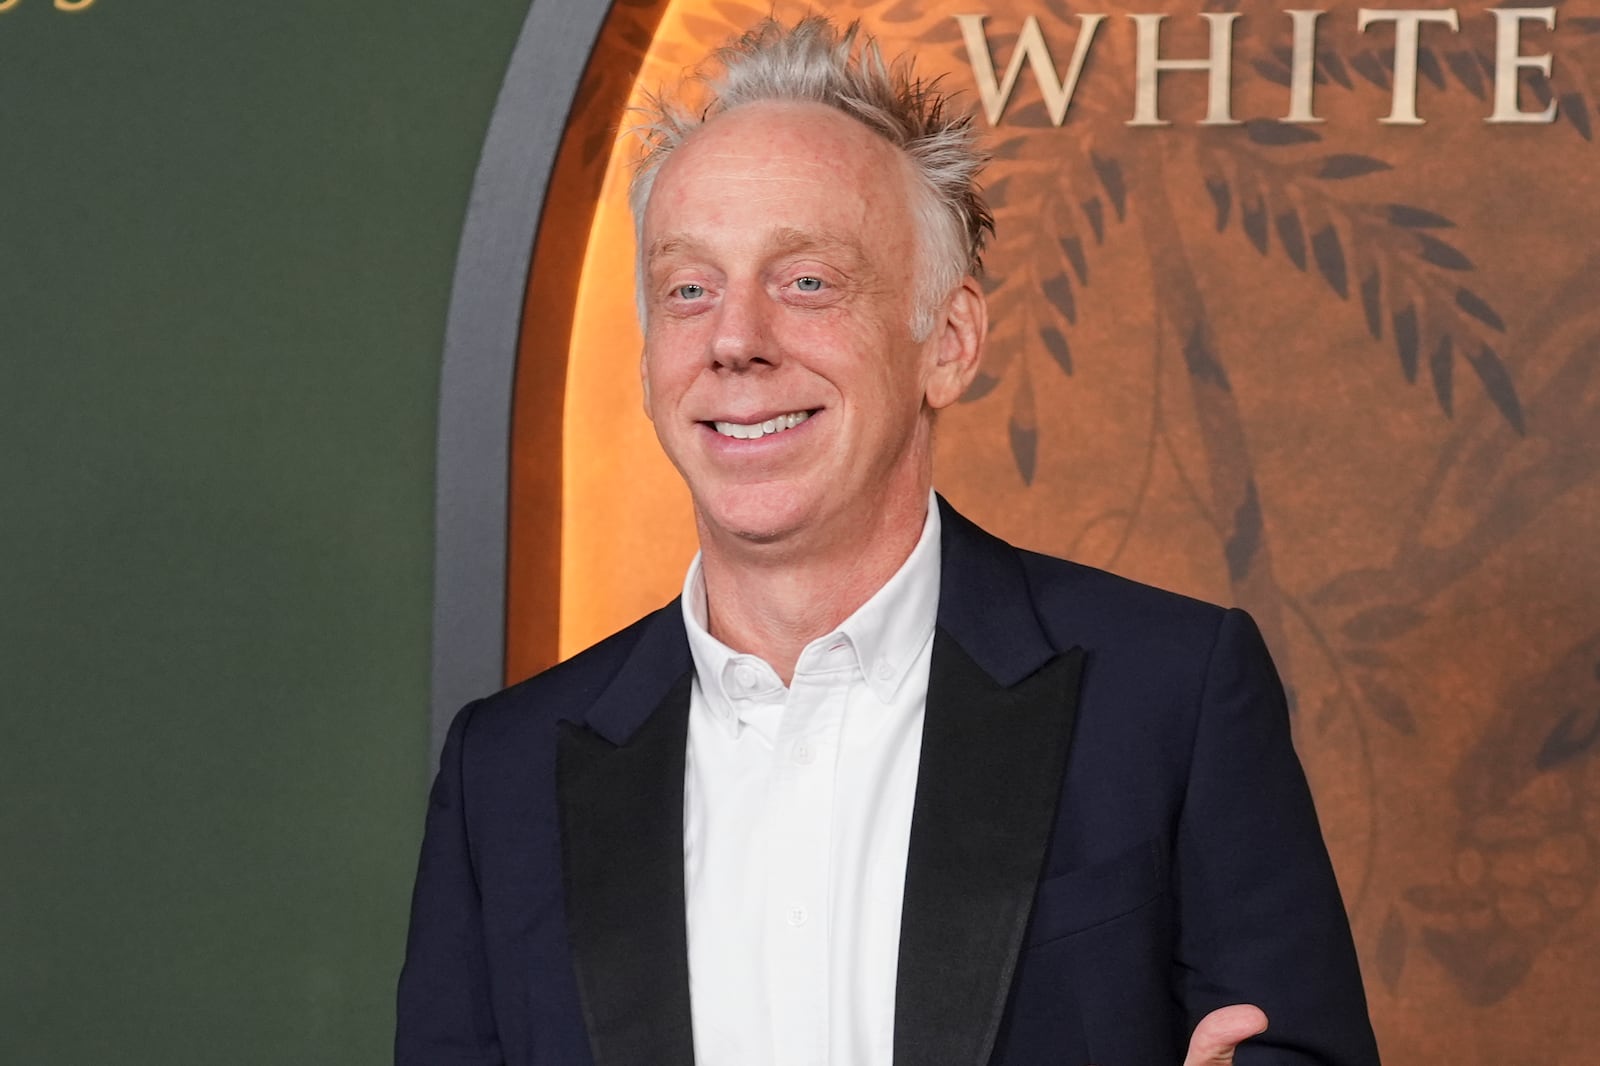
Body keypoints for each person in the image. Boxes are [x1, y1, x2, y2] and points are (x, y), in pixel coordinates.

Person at [396, 16, 1381, 1066]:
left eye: (807, 280)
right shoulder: (503, 776)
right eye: (689, 289)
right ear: (646, 363)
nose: (734, 339)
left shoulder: (1172, 699)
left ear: (946, 345)